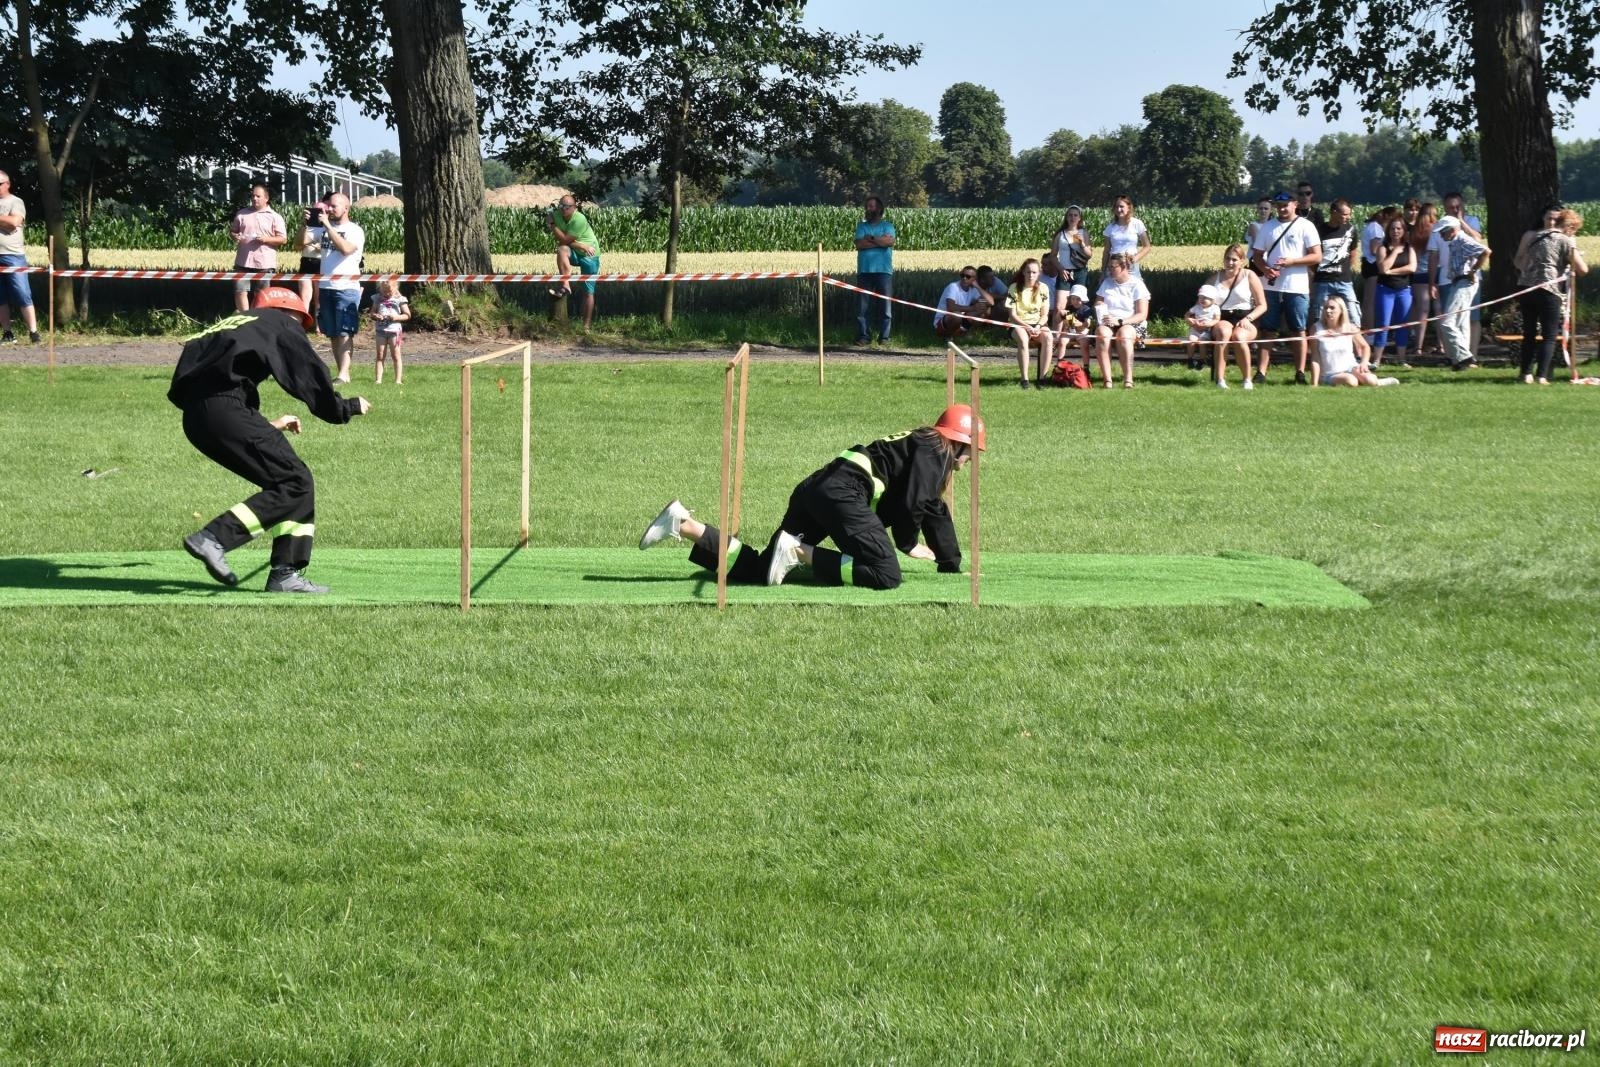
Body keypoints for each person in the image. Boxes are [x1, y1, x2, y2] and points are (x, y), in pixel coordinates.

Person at [637, 404, 985, 591]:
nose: (969, 460)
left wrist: (950, 565)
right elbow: (916, 503)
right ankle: (800, 552)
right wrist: (908, 543)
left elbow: (933, 508)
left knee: (763, 570)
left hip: (820, 487)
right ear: (958, 440)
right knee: (887, 574)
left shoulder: (922, 444)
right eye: (971, 451)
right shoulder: (936, 450)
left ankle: (684, 525)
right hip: (843, 493)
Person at [169, 287, 371, 595]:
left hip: (197, 419)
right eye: (300, 321)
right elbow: (306, 376)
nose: (300, 329)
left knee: (294, 482)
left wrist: (262, 424)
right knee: (294, 482)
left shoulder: (227, 324)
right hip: (224, 411)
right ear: (288, 312)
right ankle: (214, 537)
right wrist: (345, 407)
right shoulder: (277, 322)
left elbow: (211, 383)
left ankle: (284, 573)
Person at [1250, 190, 1321, 384]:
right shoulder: (1268, 227)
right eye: (1279, 206)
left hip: (1296, 287)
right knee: (1267, 330)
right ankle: (1261, 372)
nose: (1282, 209)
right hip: (1271, 287)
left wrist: (1292, 261)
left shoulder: (1306, 226)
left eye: (1285, 205)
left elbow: (1316, 256)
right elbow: (1257, 255)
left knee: (1298, 330)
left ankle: (1299, 372)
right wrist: (1265, 270)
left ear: (1294, 204)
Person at [1513, 206, 1587, 384]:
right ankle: (1542, 376)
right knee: (1549, 335)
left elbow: (1525, 259)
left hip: (1526, 287)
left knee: (1529, 332)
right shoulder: (1565, 240)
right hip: (1548, 289)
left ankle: (1526, 374)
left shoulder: (1535, 235)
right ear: (1569, 227)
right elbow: (1583, 269)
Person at [303, 191, 365, 383]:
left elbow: (346, 249)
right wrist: (303, 225)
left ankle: (344, 374)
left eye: (334, 206)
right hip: (327, 286)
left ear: (346, 208)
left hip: (347, 287)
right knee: (333, 332)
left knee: (345, 331)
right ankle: (340, 374)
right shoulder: (322, 229)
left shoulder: (355, 230)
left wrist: (328, 226)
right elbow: (299, 244)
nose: (329, 209)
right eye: (328, 206)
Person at [1431, 215, 1489, 371]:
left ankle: (1464, 356)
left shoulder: (1463, 240)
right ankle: (1460, 361)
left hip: (1464, 282)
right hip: (1457, 282)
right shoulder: (1454, 242)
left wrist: (1473, 271)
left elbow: (1485, 251)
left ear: (1452, 230)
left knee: (1447, 322)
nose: (1441, 235)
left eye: (1443, 231)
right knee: (1461, 323)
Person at [1206, 243, 1266, 390]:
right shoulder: (1214, 278)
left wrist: (1248, 319)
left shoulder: (1249, 275)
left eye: (1234, 259)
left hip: (1245, 317)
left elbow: (1262, 305)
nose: (1230, 263)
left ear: (1242, 261)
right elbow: (1202, 303)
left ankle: (1247, 379)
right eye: (1227, 259)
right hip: (1222, 316)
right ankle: (1220, 380)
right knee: (1223, 333)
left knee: (1239, 337)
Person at [1309, 295, 1398, 387]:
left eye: (1332, 308)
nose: (1328, 311)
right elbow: (1315, 357)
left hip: (1351, 367)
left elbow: (1365, 347)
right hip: (1330, 373)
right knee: (1351, 381)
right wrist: (1314, 383)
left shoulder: (1350, 327)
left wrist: (1363, 363)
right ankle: (1352, 379)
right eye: (1326, 308)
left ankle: (1377, 382)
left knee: (1370, 380)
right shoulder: (1316, 328)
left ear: (1341, 310)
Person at [1093, 253, 1150, 389]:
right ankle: (1107, 380)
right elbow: (1098, 302)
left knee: (1123, 336)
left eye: (1113, 267)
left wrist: (1120, 321)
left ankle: (1128, 379)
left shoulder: (1137, 284)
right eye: (1109, 267)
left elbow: (1142, 314)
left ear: (1124, 267)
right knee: (1102, 334)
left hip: (1131, 323)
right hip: (1109, 322)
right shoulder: (1107, 283)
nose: (1110, 270)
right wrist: (1101, 310)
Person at [229, 183, 287, 313]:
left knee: (262, 294)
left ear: (266, 198)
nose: (254, 198)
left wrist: (266, 239)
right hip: (243, 261)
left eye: (258, 196)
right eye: (253, 196)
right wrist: (235, 236)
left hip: (264, 262)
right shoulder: (242, 214)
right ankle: (244, 318)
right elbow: (233, 231)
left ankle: (258, 318)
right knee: (240, 291)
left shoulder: (275, 217)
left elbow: (283, 239)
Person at [546, 194, 600, 331]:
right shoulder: (556, 214)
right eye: (561, 206)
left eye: (567, 207)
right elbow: (563, 243)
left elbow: (564, 239)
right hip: (576, 252)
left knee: (588, 292)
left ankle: (586, 327)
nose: (563, 209)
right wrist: (580, 246)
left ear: (574, 208)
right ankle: (565, 285)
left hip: (590, 256)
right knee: (562, 250)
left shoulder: (579, 219)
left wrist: (552, 225)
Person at [1441, 191, 1486, 356]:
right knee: (1454, 319)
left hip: (1469, 278)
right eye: (1450, 207)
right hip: (1449, 278)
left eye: (1457, 207)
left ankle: (1470, 354)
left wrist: (1460, 222)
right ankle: (1455, 355)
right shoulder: (1442, 225)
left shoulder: (1472, 221)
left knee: (1471, 317)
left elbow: (1478, 241)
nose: (1454, 210)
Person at [0, 169, 41, 344]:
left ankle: (33, 332)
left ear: (7, 184)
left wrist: (9, 221)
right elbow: (8, 224)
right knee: (0, 297)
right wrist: (5, 221)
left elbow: (15, 222)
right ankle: (8, 333)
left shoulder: (16, 202)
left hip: (13, 255)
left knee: (22, 293)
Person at [1371, 216, 1417, 362]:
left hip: (1404, 290)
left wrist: (1392, 271)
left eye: (1399, 228)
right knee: (1383, 324)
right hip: (1385, 290)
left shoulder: (1409, 248)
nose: (1395, 231)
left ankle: (1402, 359)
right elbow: (1383, 268)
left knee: (1403, 324)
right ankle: (1377, 360)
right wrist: (1395, 252)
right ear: (1388, 230)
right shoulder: (1382, 248)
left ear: (1403, 231)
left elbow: (1412, 267)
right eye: (1392, 228)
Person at [1310, 197, 1361, 328]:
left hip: (1345, 281)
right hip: (1323, 281)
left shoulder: (1351, 230)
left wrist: (1348, 269)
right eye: (1345, 214)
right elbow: (1313, 255)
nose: (1348, 217)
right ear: (1333, 212)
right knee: (1319, 316)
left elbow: (1353, 250)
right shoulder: (1319, 231)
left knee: (1354, 315)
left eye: (1349, 214)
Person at [853, 195, 896, 346]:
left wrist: (870, 238)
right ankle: (864, 336)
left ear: (879, 209)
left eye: (871, 206)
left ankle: (884, 338)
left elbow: (889, 242)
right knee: (863, 308)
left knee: (886, 307)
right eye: (867, 206)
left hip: (884, 271)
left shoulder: (888, 226)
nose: (868, 209)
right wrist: (879, 241)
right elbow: (859, 245)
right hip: (864, 271)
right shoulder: (861, 226)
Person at [1007, 258, 1054, 388]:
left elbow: (1045, 315)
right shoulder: (1014, 288)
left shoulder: (1044, 288)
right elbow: (1012, 315)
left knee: (1049, 337)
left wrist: (1038, 326)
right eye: (1028, 272)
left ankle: (1042, 378)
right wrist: (1027, 327)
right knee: (1023, 339)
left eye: (1034, 272)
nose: (1031, 275)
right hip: (1019, 324)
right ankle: (1025, 379)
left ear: (1039, 273)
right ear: (1023, 272)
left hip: (1038, 324)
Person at [1406, 202, 1437, 361]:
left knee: (1419, 310)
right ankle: (1442, 345)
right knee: (1437, 311)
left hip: (1418, 274)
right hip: (1434, 273)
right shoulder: (1436, 229)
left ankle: (1417, 344)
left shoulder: (1415, 232)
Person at [1360, 206, 1398, 331]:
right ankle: (1370, 331)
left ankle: (1368, 329)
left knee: (1368, 300)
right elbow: (1374, 249)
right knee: (1370, 301)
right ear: (1387, 217)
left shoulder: (1372, 226)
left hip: (1368, 264)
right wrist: (1391, 252)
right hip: (1372, 265)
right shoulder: (1376, 228)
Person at [369, 277, 410, 385]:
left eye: (389, 291)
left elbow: (407, 315)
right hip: (381, 331)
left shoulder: (400, 299)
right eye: (384, 291)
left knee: (396, 355)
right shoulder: (377, 298)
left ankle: (398, 380)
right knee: (380, 355)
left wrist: (396, 317)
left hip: (394, 331)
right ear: (380, 289)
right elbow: (372, 313)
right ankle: (378, 380)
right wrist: (376, 316)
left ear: (395, 288)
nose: (386, 294)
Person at [1101, 195, 1151, 276]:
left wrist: (1135, 258)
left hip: (1131, 266)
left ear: (1129, 207)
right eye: (1116, 207)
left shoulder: (1137, 223)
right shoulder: (1110, 228)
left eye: (1121, 206)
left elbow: (1147, 246)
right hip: (1114, 267)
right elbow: (1106, 251)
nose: (1119, 209)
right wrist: (1103, 272)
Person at [932, 265, 984, 340]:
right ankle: (947, 337)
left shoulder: (973, 289)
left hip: (961, 319)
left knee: (982, 310)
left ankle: (965, 334)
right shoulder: (953, 286)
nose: (964, 278)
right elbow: (951, 307)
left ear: (974, 279)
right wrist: (972, 308)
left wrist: (978, 287)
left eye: (968, 276)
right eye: (962, 275)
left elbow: (990, 302)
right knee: (957, 316)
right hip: (943, 322)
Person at [1051, 205, 1093, 290]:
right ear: (1066, 217)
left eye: (1075, 215)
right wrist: (1061, 269)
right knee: (1060, 303)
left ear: (1079, 218)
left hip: (1080, 272)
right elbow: (1053, 256)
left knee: (1077, 301)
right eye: (1070, 215)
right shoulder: (1060, 234)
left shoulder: (1083, 233)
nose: (1072, 218)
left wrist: (1082, 244)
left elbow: (1089, 255)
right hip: (1064, 272)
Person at [1185, 284, 1222, 377]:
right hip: (1195, 329)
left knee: (1202, 343)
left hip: (1206, 330)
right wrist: (1190, 320)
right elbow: (1186, 315)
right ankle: (1190, 359)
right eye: (1200, 297)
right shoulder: (1197, 307)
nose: (1202, 300)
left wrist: (1209, 324)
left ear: (1212, 299)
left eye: (1205, 298)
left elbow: (1217, 319)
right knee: (1191, 341)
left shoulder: (1215, 308)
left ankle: (1202, 360)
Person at [1057, 284, 1095, 366]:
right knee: (1062, 341)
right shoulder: (1069, 308)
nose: (1075, 301)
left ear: (1083, 299)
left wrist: (1083, 324)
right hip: (1070, 330)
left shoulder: (1086, 310)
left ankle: (1086, 367)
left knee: (1084, 344)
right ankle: (1059, 364)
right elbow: (1061, 320)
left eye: (1078, 299)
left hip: (1081, 331)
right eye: (1073, 299)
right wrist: (1061, 314)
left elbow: (1087, 324)